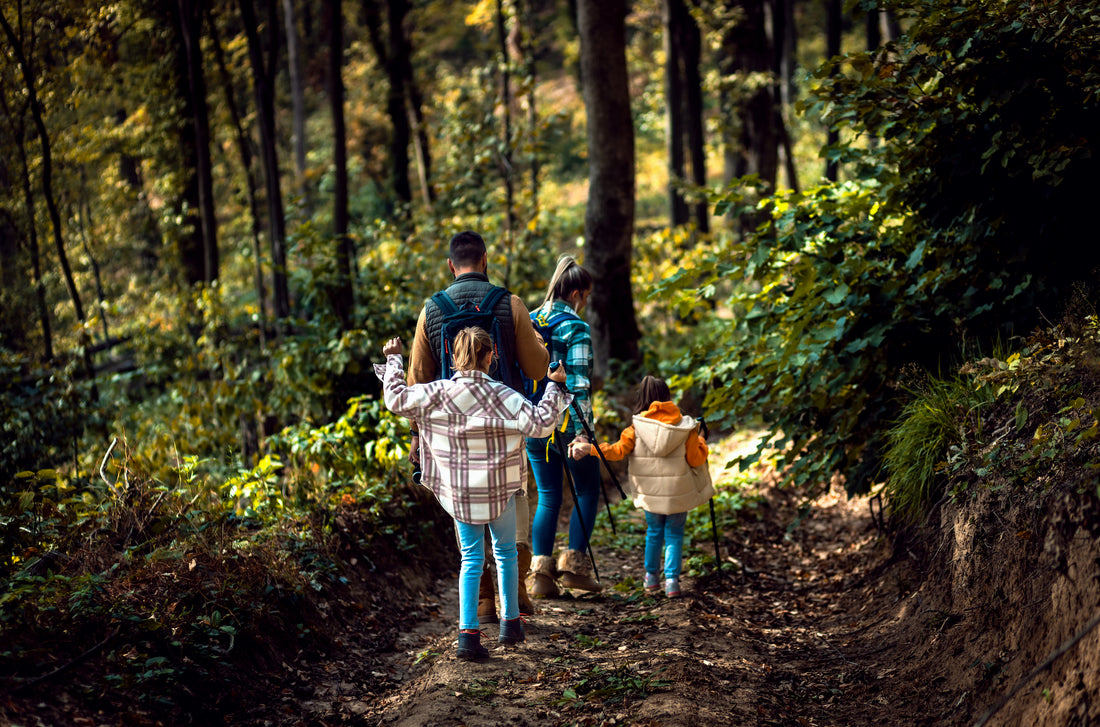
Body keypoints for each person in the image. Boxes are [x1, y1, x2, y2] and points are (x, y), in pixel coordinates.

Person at [376, 329, 571, 660]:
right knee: (506, 553)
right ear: (492, 354)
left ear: (452, 356)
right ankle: (511, 626)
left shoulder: (437, 394)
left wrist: (394, 358)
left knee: (471, 558)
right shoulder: (506, 397)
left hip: (461, 494)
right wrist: (555, 383)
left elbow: (396, 399)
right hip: (500, 490)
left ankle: (468, 636)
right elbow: (542, 423)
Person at [408, 231, 549, 619]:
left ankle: (483, 600)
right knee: (515, 499)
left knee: (463, 508)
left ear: (451, 266)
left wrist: (416, 437)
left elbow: (417, 381)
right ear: (485, 259)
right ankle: (515, 595)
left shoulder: (431, 311)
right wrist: (538, 342)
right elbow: (538, 368)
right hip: (504, 428)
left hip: (451, 437)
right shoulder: (510, 304)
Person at [570, 375, 712, 598]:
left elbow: (616, 452)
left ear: (643, 399)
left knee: (654, 532)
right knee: (674, 534)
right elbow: (696, 460)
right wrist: (701, 440)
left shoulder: (635, 428)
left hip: (650, 494)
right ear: (668, 397)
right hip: (678, 492)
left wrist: (590, 449)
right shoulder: (686, 427)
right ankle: (672, 582)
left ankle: (651, 579)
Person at [526, 254, 604, 596]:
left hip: (535, 422)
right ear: (576, 294)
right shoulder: (577, 328)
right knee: (588, 491)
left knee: (547, 496)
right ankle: (573, 568)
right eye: (585, 297)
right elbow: (579, 384)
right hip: (571, 424)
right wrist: (585, 433)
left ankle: (541, 575)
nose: (585, 304)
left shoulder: (528, 320)